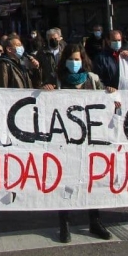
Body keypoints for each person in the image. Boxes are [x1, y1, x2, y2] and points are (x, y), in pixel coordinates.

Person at [45, 44, 114, 243]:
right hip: (64, 141)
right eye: (71, 59)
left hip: (90, 141)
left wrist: (110, 92)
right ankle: (64, 223)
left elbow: (106, 104)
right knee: (65, 181)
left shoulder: (92, 79)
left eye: (77, 59)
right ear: (64, 60)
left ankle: (95, 221)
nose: (74, 63)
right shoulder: (58, 80)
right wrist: (46, 89)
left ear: (83, 61)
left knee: (91, 180)